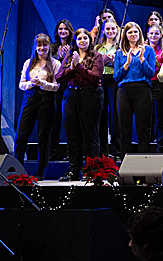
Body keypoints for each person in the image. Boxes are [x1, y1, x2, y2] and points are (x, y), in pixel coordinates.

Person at [57, 28, 103, 180]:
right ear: (75, 42)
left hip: (91, 95)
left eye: (85, 38)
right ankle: (73, 171)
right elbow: (58, 77)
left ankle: (91, 171)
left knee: (90, 134)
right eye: (79, 38)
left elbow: (95, 78)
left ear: (90, 41)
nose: (82, 41)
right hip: (71, 95)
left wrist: (78, 66)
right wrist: (71, 67)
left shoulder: (96, 56)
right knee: (72, 135)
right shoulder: (70, 56)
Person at [15, 34, 62, 178]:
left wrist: (43, 84)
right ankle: (18, 169)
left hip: (46, 100)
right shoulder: (28, 62)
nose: (42, 48)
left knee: (43, 136)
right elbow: (21, 84)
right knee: (21, 135)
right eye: (39, 45)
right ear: (35, 47)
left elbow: (56, 86)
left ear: (49, 47)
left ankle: (41, 170)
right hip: (29, 98)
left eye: (44, 45)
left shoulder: (55, 63)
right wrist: (31, 84)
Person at [114, 21, 157, 156]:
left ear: (140, 34)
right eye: (130, 32)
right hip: (124, 91)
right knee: (124, 129)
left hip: (142, 90)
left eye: (135, 31)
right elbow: (116, 76)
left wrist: (142, 58)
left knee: (143, 129)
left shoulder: (148, 50)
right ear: (125, 35)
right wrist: (126, 64)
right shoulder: (120, 53)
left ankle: (143, 163)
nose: (133, 34)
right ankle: (124, 163)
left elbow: (150, 74)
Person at [95, 19, 121, 159]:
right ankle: (103, 151)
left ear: (117, 30)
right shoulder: (98, 47)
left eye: (113, 29)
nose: (110, 32)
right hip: (100, 80)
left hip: (114, 80)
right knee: (102, 115)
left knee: (115, 116)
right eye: (108, 29)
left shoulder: (120, 46)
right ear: (103, 30)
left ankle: (116, 151)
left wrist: (113, 61)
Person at [49, 19, 74, 160]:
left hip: (69, 85)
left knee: (69, 119)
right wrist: (58, 58)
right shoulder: (52, 48)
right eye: (60, 29)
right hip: (55, 87)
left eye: (65, 29)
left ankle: (71, 153)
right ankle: (52, 152)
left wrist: (66, 58)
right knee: (54, 119)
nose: (62, 31)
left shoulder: (74, 47)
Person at [147, 24, 163, 153]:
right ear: (147, 35)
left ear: (161, 35)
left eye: (156, 33)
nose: (153, 36)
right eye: (151, 33)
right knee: (147, 117)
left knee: (160, 118)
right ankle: (146, 148)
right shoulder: (144, 49)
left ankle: (160, 148)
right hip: (146, 85)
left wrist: (159, 64)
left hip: (160, 85)